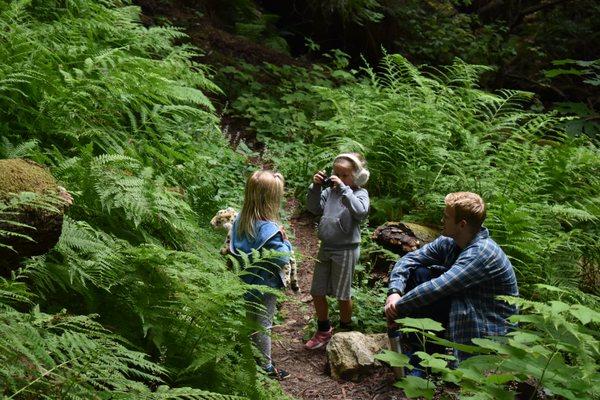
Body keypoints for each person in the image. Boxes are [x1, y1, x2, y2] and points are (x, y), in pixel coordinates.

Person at [384, 192, 518, 371]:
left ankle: (425, 364)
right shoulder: (450, 241)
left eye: (446, 217)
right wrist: (395, 292)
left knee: (434, 296)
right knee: (419, 273)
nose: (442, 220)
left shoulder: (482, 253)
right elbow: (409, 260)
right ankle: (421, 353)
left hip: (487, 325)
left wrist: (396, 309)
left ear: (462, 225)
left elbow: (437, 288)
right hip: (466, 303)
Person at [229, 170, 293, 380]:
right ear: (271, 200)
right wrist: (285, 242)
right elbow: (281, 258)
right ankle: (265, 365)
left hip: (244, 282)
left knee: (248, 319)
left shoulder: (240, 221)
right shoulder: (269, 229)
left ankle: (246, 354)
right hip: (265, 285)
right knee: (264, 323)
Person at [305, 153, 370, 349]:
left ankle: (345, 331)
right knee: (317, 291)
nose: (339, 179)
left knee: (343, 294)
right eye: (336, 174)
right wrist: (316, 187)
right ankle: (324, 329)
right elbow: (313, 208)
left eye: (345, 175)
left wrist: (344, 190)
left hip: (346, 249)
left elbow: (360, 212)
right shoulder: (329, 192)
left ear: (357, 177)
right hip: (326, 247)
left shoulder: (359, 194)